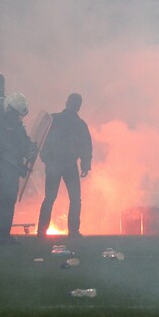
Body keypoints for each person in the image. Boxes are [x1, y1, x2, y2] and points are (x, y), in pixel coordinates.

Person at [37, 93, 92, 238]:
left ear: (67, 102)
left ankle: (41, 232)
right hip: (69, 165)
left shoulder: (54, 119)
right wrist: (86, 164)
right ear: (78, 106)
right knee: (75, 199)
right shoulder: (80, 124)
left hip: (54, 164)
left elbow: (42, 139)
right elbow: (86, 146)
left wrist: (45, 158)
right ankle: (73, 232)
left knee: (49, 198)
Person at [0, 92, 36, 245]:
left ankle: (3, 234)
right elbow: (0, 148)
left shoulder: (15, 124)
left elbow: (22, 140)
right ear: (9, 109)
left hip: (11, 171)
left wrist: (30, 148)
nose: (18, 119)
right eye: (16, 115)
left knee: (8, 201)